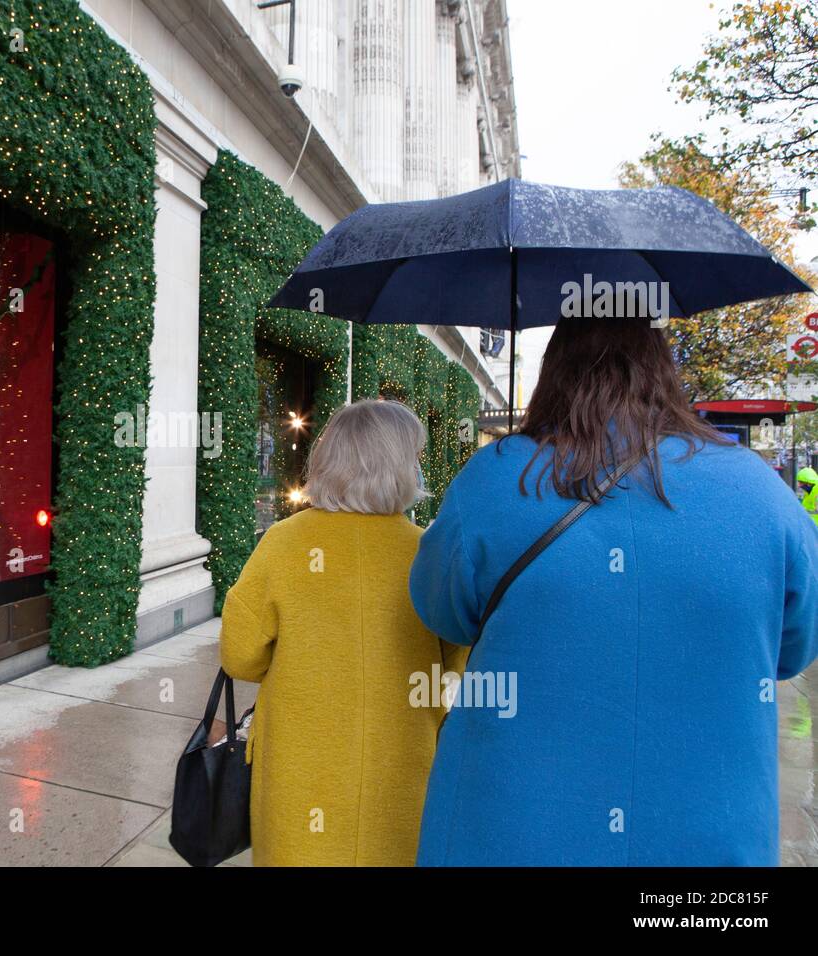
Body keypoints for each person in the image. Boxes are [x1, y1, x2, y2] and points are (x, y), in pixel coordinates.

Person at [409, 317, 818, 866]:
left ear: (553, 377)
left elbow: (443, 612)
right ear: (664, 376)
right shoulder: (763, 492)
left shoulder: (496, 476)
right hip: (710, 842)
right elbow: (794, 649)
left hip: (510, 831)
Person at [219, 399, 467, 866]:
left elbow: (239, 655)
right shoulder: (429, 555)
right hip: (401, 766)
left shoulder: (283, 544)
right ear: (399, 467)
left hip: (301, 764)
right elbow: (456, 664)